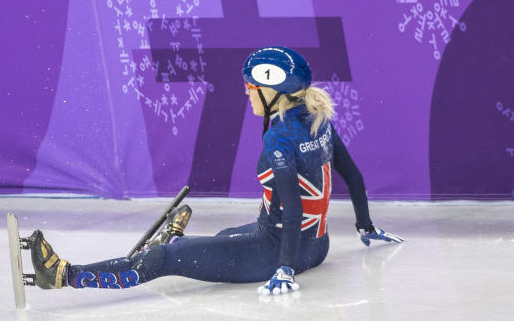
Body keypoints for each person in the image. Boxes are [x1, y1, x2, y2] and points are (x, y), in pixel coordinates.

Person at [27, 46, 403, 296]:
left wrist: (284, 269)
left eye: (250, 87)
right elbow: (353, 177)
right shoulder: (319, 119)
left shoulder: (279, 139)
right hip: (316, 248)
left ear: (274, 93)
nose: (246, 93)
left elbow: (293, 208)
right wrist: (365, 226)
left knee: (163, 261)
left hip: (275, 252)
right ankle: (177, 240)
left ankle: (63, 275)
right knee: (224, 235)